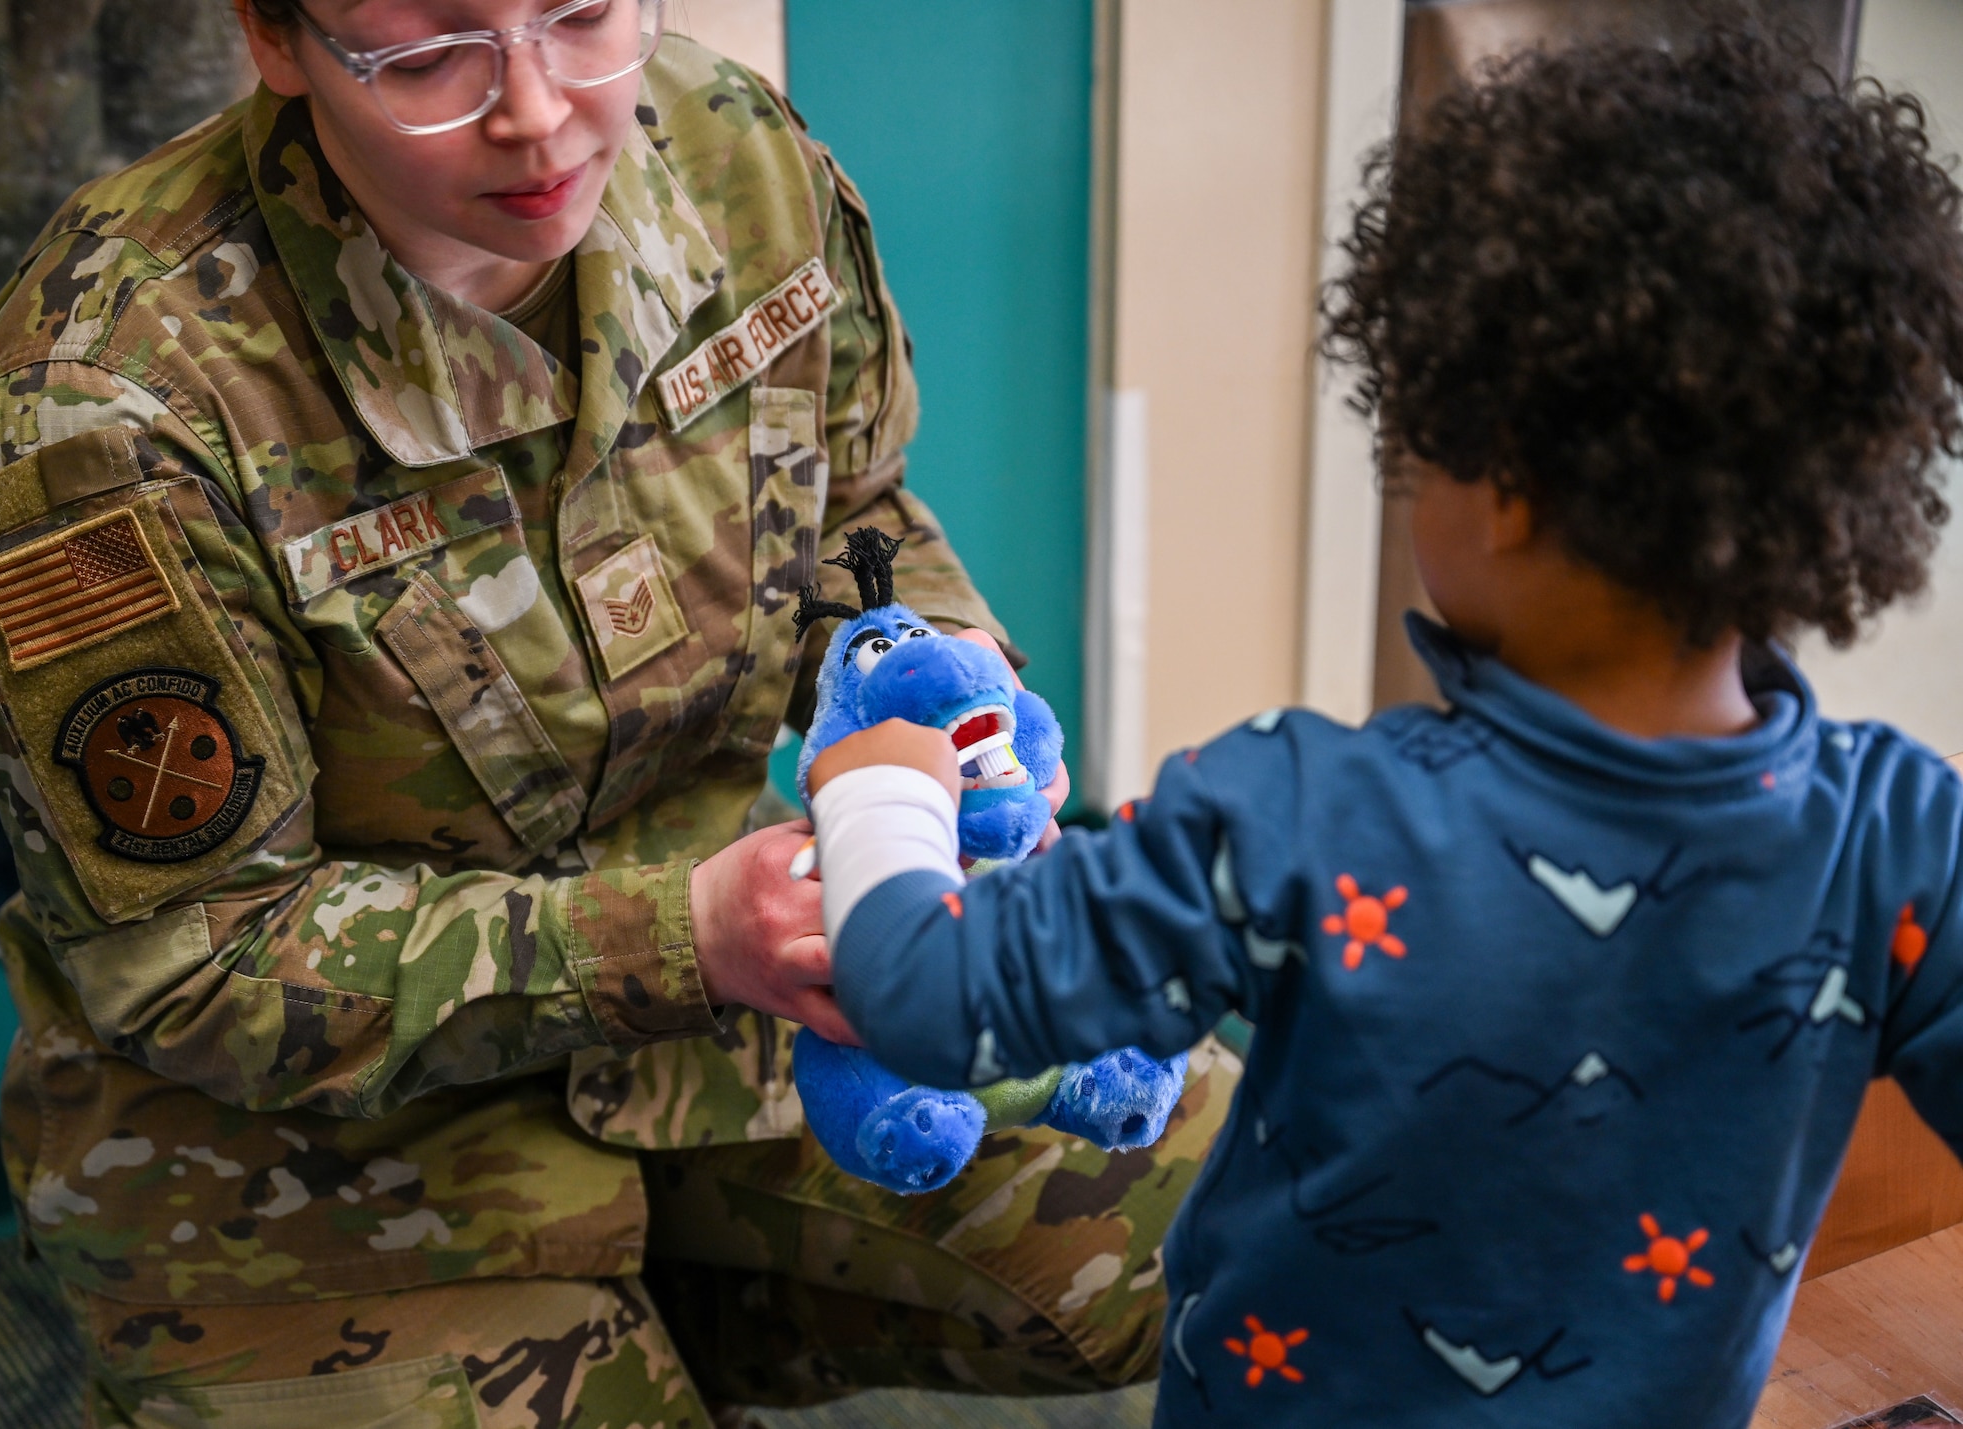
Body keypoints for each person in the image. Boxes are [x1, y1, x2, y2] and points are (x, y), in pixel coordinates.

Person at [0, 2, 1236, 1423]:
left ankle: (670, 1325)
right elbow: (197, 959)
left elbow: (853, 514)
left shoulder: (728, 152)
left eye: (579, 15)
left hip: (722, 1020)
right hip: (302, 1163)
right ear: (276, 36)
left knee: (1251, 1193)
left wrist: (944, 698)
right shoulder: (107, 409)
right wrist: (681, 940)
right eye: (431, 55)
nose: (539, 111)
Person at [805, 20, 1963, 1428]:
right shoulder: (1900, 839)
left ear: (1510, 483)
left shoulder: (1292, 816)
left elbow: (924, 998)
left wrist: (882, 785)